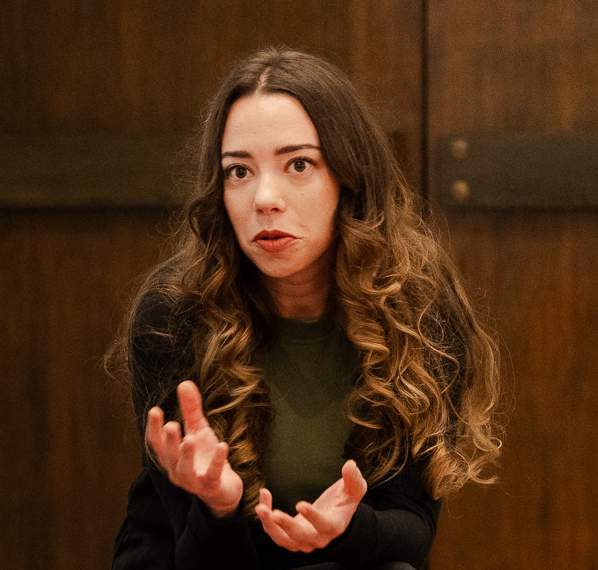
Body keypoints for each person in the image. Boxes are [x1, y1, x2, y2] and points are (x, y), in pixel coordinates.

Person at [111, 47, 502, 570]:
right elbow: (190, 551)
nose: (264, 199)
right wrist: (218, 507)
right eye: (239, 171)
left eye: (298, 164)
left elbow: (414, 527)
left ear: (349, 177)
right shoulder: (173, 312)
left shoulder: (418, 305)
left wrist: (349, 529)